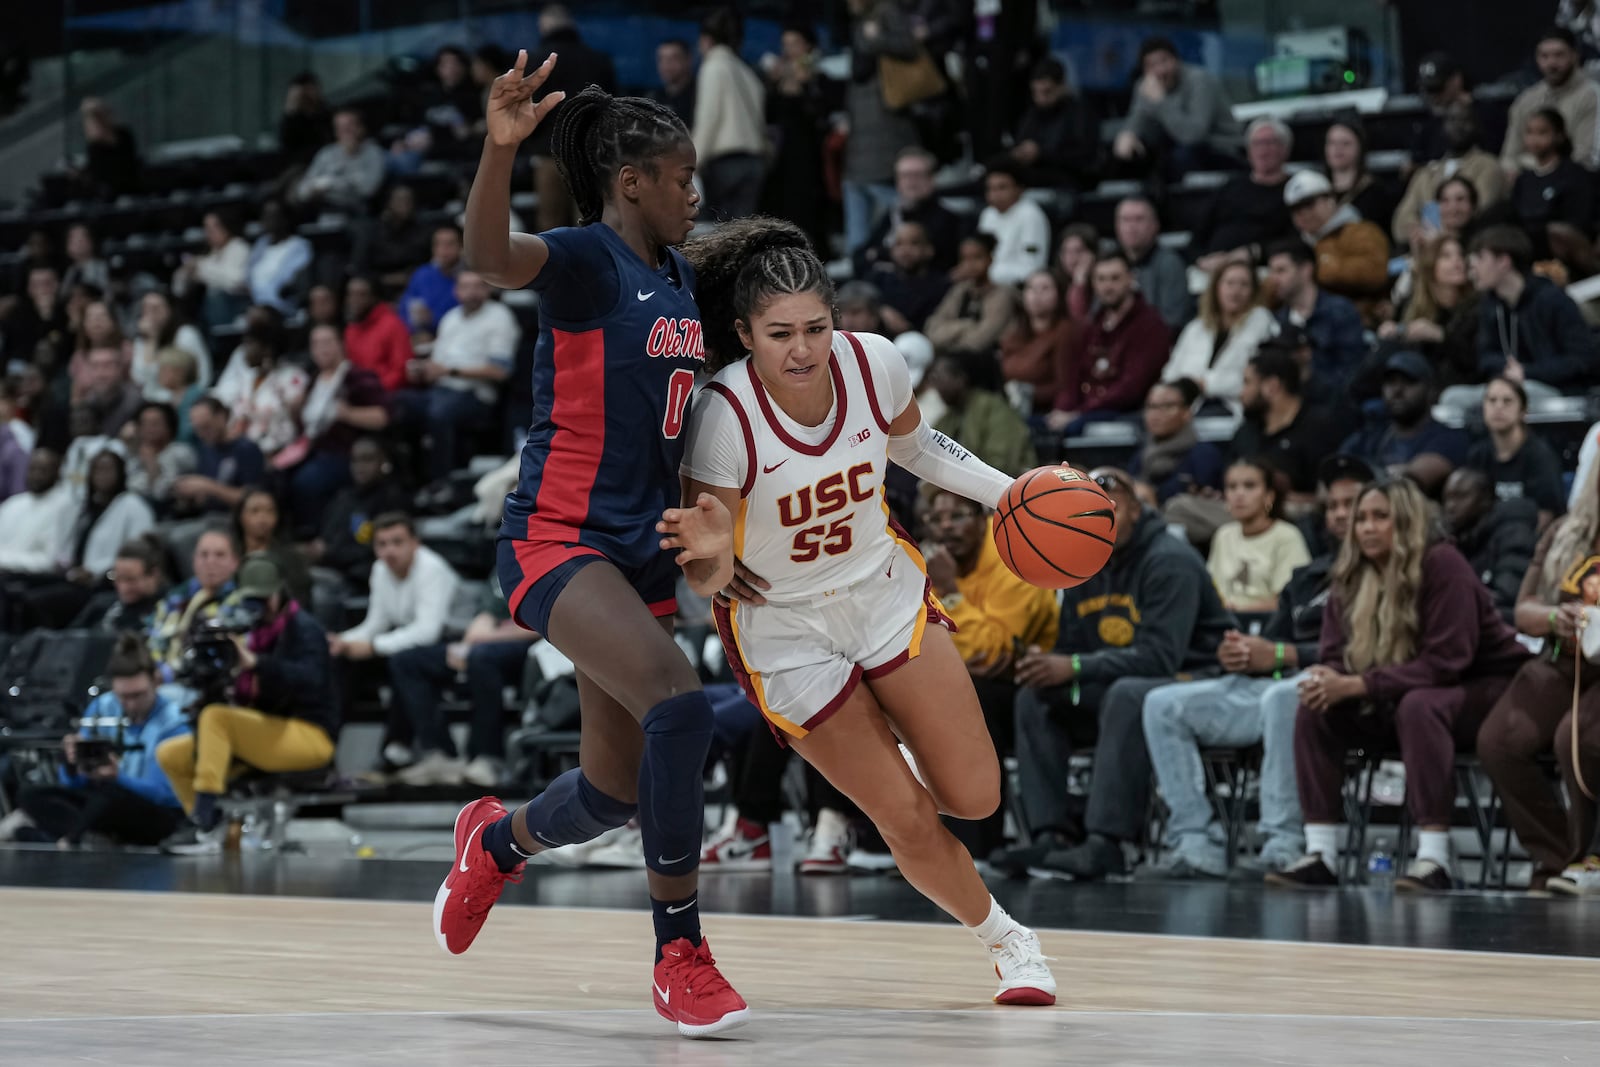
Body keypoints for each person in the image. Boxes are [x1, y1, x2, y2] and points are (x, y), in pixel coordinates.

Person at [440, 59, 749, 1034]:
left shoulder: (680, 279)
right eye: (682, 175)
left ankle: (495, 842)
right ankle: (680, 948)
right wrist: (499, 149)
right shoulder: (581, 261)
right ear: (633, 182)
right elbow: (488, 256)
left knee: (614, 790)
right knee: (680, 704)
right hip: (557, 538)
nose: (694, 192)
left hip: (640, 547)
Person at [678, 215, 1057, 1006]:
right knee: (907, 817)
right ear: (745, 333)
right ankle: (1008, 940)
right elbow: (706, 576)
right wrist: (713, 561)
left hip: (882, 591)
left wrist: (1008, 493)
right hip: (784, 629)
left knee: (977, 796)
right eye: (780, 333)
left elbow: (917, 448)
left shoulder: (875, 364)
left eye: (816, 326)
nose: (803, 349)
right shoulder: (722, 415)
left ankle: (894, 741)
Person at [1267, 478, 1531, 892]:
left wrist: (1356, 686)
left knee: (1420, 705)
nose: (1368, 528)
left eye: (1380, 517)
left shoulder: (1444, 564)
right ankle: (1321, 853)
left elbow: (1446, 663)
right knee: (1315, 706)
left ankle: (1434, 857)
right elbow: (1335, 655)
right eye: (1362, 519)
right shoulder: (1349, 575)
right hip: (1399, 690)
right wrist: (1328, 679)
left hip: (1487, 688)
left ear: (1405, 522)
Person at [994, 467, 1236, 880]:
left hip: (1193, 679)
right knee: (1035, 695)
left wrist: (1072, 667)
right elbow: (1073, 648)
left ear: (1137, 511)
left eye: (1111, 505)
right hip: (1116, 686)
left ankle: (1108, 843)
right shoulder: (1080, 561)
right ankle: (1051, 835)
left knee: (1126, 693)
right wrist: (1048, 663)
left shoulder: (1169, 561)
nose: (1098, 515)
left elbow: (1161, 658)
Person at [1141, 454, 1370, 878]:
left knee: (1286, 696)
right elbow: (1275, 641)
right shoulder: (1310, 576)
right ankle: (1195, 844)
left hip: (1336, 689)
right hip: (1268, 686)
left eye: (1351, 505)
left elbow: (1369, 654)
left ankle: (1283, 845)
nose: (1341, 515)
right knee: (1161, 703)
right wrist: (1246, 653)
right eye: (1334, 506)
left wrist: (1282, 656)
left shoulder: (1381, 577)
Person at [155, 555, 337, 854]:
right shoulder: (244, 632)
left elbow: (312, 680)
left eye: (264, 598)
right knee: (171, 754)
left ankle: (202, 822)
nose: (259, 606)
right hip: (264, 733)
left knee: (217, 718)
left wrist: (258, 664)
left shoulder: (304, 629)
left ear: (279, 593)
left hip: (311, 735)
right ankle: (212, 828)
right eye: (252, 599)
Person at [1476, 462, 1600, 894]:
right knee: (1499, 742)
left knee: (1577, 738)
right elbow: (1522, 610)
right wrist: (1554, 617)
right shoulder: (1567, 532)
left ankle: (1590, 859)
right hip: (1563, 657)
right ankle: (1555, 855)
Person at [0, 635, 188, 848]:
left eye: (138, 695)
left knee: (109, 794)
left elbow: (167, 796)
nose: (130, 704)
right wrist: (70, 763)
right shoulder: (102, 707)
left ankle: (65, 838)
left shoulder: (174, 722)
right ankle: (88, 835)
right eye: (123, 697)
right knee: (30, 793)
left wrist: (120, 777)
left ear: (155, 681)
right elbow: (73, 783)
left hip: (154, 811)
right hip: (101, 805)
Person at [390, 577, 543, 788]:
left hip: (539, 646)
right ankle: (439, 755)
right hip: (488, 641)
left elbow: (550, 623)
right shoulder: (505, 558)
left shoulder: (549, 559)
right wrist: (468, 643)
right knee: (407, 661)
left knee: (481, 658)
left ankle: (487, 757)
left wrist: (481, 641)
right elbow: (488, 612)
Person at [1448, 225, 1598, 409]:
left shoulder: (1553, 300)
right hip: (1507, 386)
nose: (1472, 266)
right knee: (1453, 398)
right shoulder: (1491, 305)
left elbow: (1581, 360)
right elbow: (1485, 356)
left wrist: (1527, 372)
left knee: (1525, 393)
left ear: (1504, 261)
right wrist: (1506, 369)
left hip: (1555, 389)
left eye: (1480, 258)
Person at [397, 270, 518, 486]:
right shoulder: (450, 318)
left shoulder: (499, 317)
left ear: (488, 289)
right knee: (398, 406)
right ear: (456, 291)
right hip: (440, 390)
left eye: (477, 286)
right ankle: (407, 481)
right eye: (465, 286)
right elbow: (437, 362)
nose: (471, 292)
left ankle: (442, 484)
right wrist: (422, 370)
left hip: (476, 394)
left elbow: (500, 372)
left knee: (440, 413)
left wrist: (450, 371)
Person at [1046, 250, 1170, 434]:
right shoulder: (1093, 325)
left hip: (1127, 412)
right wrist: (1062, 409)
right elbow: (1074, 376)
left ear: (1131, 279)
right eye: (1101, 279)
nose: (1107, 286)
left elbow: (1132, 387)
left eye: (1115, 278)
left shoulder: (1150, 325)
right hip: (1088, 409)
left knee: (1073, 428)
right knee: (1038, 426)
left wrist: (1079, 413)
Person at [839, 0, 925, 257]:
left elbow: (910, 47)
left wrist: (876, 38)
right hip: (862, 129)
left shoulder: (886, 11)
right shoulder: (863, 19)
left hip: (885, 125)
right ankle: (860, 261)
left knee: (890, 195)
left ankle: (903, 253)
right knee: (855, 187)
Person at [287, 324, 391, 532]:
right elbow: (304, 425)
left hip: (345, 451)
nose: (322, 349)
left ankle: (317, 534)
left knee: (307, 482)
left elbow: (383, 416)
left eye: (327, 342)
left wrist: (349, 414)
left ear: (340, 345)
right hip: (310, 448)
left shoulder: (358, 377)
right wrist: (294, 410)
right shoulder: (313, 380)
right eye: (316, 344)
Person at [525, 5, 617, 234]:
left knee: (550, 227)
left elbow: (528, 110)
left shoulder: (536, 60)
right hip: (590, 153)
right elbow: (613, 107)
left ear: (544, 26)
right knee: (590, 222)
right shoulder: (598, 60)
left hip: (549, 154)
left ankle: (555, 271)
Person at [329, 512, 459, 671]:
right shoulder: (380, 569)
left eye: (397, 542)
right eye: (382, 544)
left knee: (402, 660)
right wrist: (342, 641)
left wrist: (374, 646)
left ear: (415, 543)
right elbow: (376, 624)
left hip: (455, 641)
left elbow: (428, 632)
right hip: (411, 641)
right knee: (339, 655)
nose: (389, 551)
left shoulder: (432, 568)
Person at [1341, 352, 1470, 497]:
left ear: (1431, 390)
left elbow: (1410, 482)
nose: (1397, 390)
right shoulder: (1371, 435)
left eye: (1409, 382)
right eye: (1391, 382)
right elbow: (1332, 477)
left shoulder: (1450, 438)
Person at [1113, 36, 1241, 177]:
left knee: (1180, 156)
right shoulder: (1145, 86)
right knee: (1131, 156)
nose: (1160, 70)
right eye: (1151, 66)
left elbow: (1193, 135)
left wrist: (1161, 102)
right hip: (1177, 147)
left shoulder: (1199, 80)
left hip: (1221, 148)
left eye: (1164, 61)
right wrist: (1128, 134)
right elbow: (1137, 117)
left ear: (1176, 60)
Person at [302, 436, 411, 595]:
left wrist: (329, 552)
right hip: (328, 567)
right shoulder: (343, 497)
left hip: (359, 576)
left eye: (367, 460)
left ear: (383, 462)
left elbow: (373, 549)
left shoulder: (391, 500)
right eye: (355, 460)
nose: (360, 466)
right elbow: (324, 536)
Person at [1374, 234, 1480, 393]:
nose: (1457, 261)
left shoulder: (1476, 306)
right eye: (1446, 256)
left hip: (1459, 386)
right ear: (1430, 265)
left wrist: (1440, 336)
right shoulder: (1415, 305)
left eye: (1460, 254)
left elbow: (1476, 358)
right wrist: (1394, 331)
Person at [1163, 259, 1275, 409]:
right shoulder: (1196, 327)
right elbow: (1171, 373)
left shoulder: (1261, 320)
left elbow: (1258, 377)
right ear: (1216, 287)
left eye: (1244, 285)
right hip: (1189, 409)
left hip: (1237, 409)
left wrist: (1205, 384)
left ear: (1253, 291)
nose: (1236, 291)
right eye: (1229, 283)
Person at [1393, 103, 1504, 249]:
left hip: (1470, 249)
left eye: (1464, 120)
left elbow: (1479, 215)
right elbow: (1400, 224)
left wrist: (1439, 234)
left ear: (1476, 125)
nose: (1458, 126)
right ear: (1443, 127)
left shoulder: (1489, 166)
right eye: (1451, 120)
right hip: (1426, 250)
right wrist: (1422, 234)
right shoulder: (1426, 173)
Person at [1207, 457, 1311, 613]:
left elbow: (1291, 602)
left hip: (1267, 630)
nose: (1239, 494)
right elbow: (1210, 592)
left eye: (1249, 486)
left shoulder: (1287, 537)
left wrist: (1239, 609)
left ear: (1269, 496)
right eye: (1232, 487)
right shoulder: (1223, 535)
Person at [691, 8, 767, 223]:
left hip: (726, 163)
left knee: (719, 234)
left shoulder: (713, 66)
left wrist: (694, 159)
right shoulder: (745, 70)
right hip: (754, 161)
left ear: (706, 40)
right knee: (742, 234)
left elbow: (709, 117)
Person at [1282, 170, 1391, 319]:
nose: (1303, 213)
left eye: (1309, 204)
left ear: (1330, 199)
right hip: (1306, 319)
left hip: (1357, 317)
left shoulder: (1361, 232)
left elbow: (1375, 272)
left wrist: (1318, 269)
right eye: (1295, 209)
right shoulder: (1296, 244)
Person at [1266, 241, 1367, 400]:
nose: (1274, 279)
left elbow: (1352, 371)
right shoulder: (1276, 320)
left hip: (1334, 404)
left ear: (1306, 270)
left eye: (1281, 270)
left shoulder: (1339, 311)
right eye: (1271, 271)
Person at [1193, 118, 1293, 271]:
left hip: (1263, 269)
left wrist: (1253, 252)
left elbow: (1294, 241)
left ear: (1285, 149)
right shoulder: (1230, 187)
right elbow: (1198, 235)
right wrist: (1201, 259)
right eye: (1256, 144)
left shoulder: (1293, 189)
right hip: (1212, 269)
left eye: (1269, 143)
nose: (1263, 150)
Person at [1440, 466, 1538, 621]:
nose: (1451, 506)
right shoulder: (1456, 536)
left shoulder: (1514, 533)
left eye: (1461, 497)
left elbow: (1508, 596)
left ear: (1485, 499)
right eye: (1447, 498)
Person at [145, 527, 240, 685]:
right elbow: (154, 639)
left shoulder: (241, 604)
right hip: (157, 680)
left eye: (220, 555)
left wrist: (168, 675)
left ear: (235, 562)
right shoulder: (175, 597)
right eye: (204, 555)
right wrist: (152, 669)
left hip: (203, 685)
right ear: (194, 561)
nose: (210, 562)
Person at [1501, 26, 1600, 173]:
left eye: (1559, 55)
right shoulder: (1527, 99)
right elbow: (1508, 157)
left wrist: (1535, 166)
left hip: (1575, 183)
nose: (1551, 63)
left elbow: (1586, 158)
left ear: (1575, 55)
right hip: (1529, 183)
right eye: (1544, 56)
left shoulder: (1592, 96)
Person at [856, 147, 967, 277]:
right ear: (897, 181)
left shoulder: (947, 219)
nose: (911, 182)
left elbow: (933, 259)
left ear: (932, 179)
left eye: (918, 175)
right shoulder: (893, 212)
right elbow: (860, 256)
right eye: (905, 176)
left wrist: (879, 254)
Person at [1507, 109, 1596, 270]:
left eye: (1542, 132)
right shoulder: (1523, 179)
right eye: (1530, 132)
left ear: (1559, 135)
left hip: (1569, 256)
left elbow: (1579, 223)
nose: (1534, 139)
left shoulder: (1575, 174)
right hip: (1529, 256)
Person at [925, 352, 1037, 476]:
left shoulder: (994, 408)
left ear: (961, 378)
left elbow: (1001, 466)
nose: (937, 386)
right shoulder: (949, 417)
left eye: (940, 378)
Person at [1125, 379, 1224, 505]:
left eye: (1167, 406)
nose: (1156, 414)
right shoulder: (1141, 456)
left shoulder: (1203, 455)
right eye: (1151, 407)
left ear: (1187, 412)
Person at [1007, 57, 1098, 191]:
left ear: (1062, 86)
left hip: (1071, 177)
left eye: (1047, 91)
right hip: (1034, 173)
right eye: (1036, 93)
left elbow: (1085, 156)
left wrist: (1041, 154)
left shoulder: (1080, 112)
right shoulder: (1032, 114)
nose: (1041, 98)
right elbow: (1021, 142)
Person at [923, 234, 1020, 360]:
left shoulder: (1002, 294)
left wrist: (948, 339)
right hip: (950, 358)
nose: (970, 265)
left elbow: (980, 341)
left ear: (990, 259)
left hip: (985, 362)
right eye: (965, 259)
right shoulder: (960, 290)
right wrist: (965, 325)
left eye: (977, 258)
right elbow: (932, 331)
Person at [998, 269, 1077, 414]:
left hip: (1043, 411)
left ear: (1059, 295)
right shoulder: (1014, 333)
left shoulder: (1065, 332)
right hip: (1009, 406)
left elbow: (1064, 386)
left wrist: (1028, 392)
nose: (1037, 295)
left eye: (1045, 288)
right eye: (1031, 288)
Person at [170, 397, 264, 517]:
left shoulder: (246, 449)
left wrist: (208, 486)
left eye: (206, 426)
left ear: (221, 417)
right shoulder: (206, 449)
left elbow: (252, 499)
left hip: (234, 520)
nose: (202, 433)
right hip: (207, 516)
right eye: (197, 429)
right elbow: (203, 498)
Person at [1115, 196, 1191, 331]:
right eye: (1125, 220)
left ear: (1155, 225)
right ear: (1117, 226)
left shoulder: (1170, 264)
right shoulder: (1111, 264)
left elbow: (1172, 321)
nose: (1131, 226)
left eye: (1139, 219)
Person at [293, 106, 385, 214]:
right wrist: (314, 190)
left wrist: (329, 184)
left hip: (359, 215)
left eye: (349, 127)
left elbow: (368, 189)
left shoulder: (374, 153)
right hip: (327, 214)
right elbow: (302, 191)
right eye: (340, 128)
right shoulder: (326, 154)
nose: (345, 132)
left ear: (361, 128)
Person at [232, 487, 313, 608]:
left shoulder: (291, 558)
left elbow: (299, 600)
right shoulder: (230, 554)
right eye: (255, 511)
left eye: (270, 511)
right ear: (240, 516)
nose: (263, 518)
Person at [173, 210, 252, 332]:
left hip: (235, 309)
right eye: (206, 228)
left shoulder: (239, 248)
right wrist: (186, 272)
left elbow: (236, 282)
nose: (209, 233)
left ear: (226, 226)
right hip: (211, 315)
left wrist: (203, 269)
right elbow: (178, 290)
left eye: (214, 227)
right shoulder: (209, 255)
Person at [976, 159, 1050, 287]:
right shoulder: (988, 214)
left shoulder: (1031, 216)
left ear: (1019, 188)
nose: (995, 195)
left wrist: (987, 273)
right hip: (986, 283)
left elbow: (1032, 267)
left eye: (1002, 188)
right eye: (990, 189)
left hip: (1016, 289)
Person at [68, 535, 165, 633]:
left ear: (153, 575)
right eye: (118, 578)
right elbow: (67, 638)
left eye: (131, 580)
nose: (123, 588)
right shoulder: (101, 604)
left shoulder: (167, 613)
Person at [872, 222, 953, 335]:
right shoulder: (879, 279)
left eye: (914, 243)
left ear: (929, 250)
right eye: (899, 244)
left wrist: (907, 328)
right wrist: (880, 310)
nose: (905, 250)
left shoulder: (942, 286)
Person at [351, 185, 431, 293]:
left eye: (408, 200)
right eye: (400, 200)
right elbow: (360, 267)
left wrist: (409, 276)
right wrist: (386, 279)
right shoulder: (372, 231)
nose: (405, 204)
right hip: (378, 287)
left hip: (414, 283)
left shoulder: (423, 231)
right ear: (389, 203)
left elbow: (428, 261)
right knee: (357, 285)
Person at [1324, 117, 1398, 233]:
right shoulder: (1316, 190)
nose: (1337, 149)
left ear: (1360, 147)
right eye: (1332, 143)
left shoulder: (1377, 192)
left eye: (1346, 143)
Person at [343, 275, 414, 392]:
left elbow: (401, 371)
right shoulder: (350, 330)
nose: (354, 300)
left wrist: (377, 391)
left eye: (361, 295)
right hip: (362, 393)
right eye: (351, 294)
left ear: (374, 298)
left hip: (389, 393)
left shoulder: (393, 325)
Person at [124, 401, 196, 509]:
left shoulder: (180, 453)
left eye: (155, 423)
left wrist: (151, 464)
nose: (149, 429)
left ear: (169, 426)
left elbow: (162, 494)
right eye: (144, 424)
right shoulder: (134, 455)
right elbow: (130, 487)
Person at [246, 200, 313, 316]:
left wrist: (267, 303)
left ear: (285, 219)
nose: (266, 220)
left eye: (272, 216)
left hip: (282, 306)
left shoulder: (299, 246)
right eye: (265, 216)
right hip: (256, 305)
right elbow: (248, 276)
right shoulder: (261, 244)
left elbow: (288, 281)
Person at [398, 225, 465, 340]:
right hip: (420, 338)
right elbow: (405, 307)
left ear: (461, 247)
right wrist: (415, 332)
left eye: (449, 244)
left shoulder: (469, 277)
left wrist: (432, 320)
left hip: (456, 338)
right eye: (438, 244)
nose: (443, 249)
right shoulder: (422, 273)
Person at [278, 72, 332, 170]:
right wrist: (290, 110)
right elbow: (285, 147)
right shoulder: (294, 119)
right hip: (301, 165)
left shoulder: (327, 114)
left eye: (310, 90)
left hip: (326, 162)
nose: (306, 97)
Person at [650, 38, 696, 127]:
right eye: (661, 59)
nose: (666, 64)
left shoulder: (699, 96)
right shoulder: (655, 98)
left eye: (674, 58)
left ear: (688, 60)